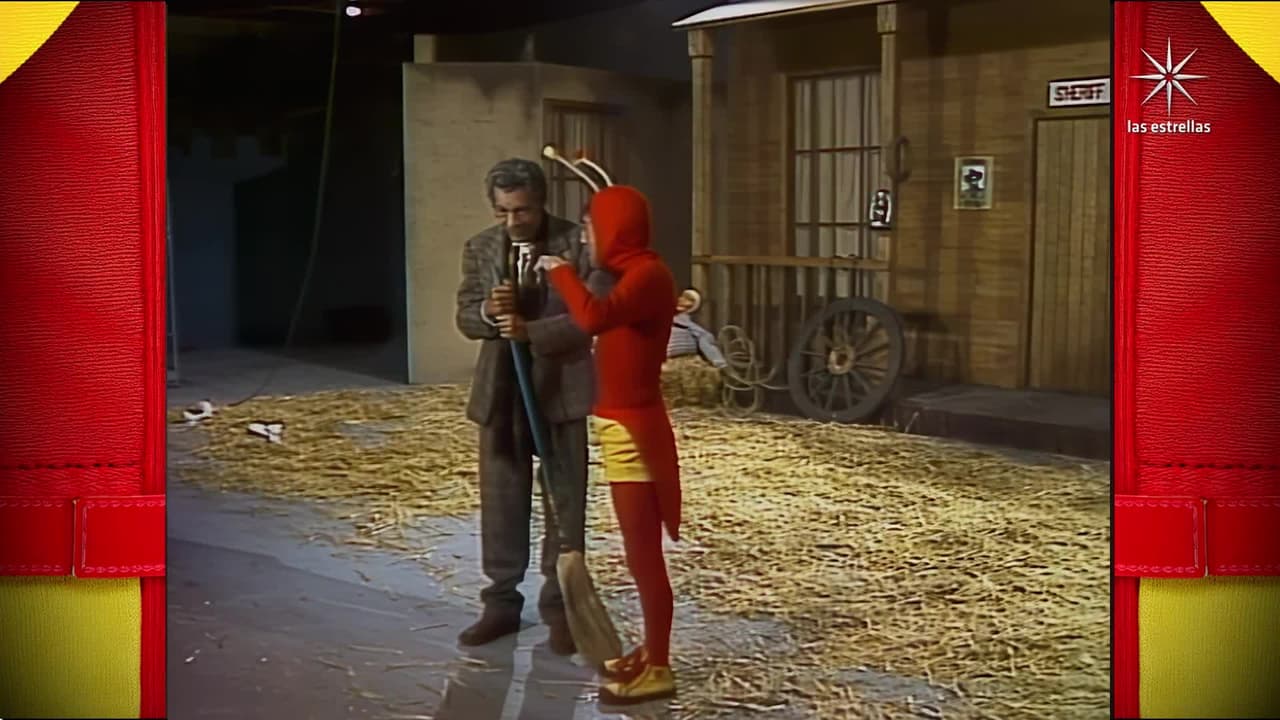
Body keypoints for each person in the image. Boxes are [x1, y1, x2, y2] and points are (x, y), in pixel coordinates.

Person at [453, 158, 609, 655]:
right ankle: (500, 604)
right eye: (502, 212)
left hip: (561, 388)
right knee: (502, 501)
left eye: (522, 210)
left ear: (541, 203)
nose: (513, 221)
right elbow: (465, 315)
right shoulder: (481, 247)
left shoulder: (578, 243)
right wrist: (488, 312)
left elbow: (591, 317)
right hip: (503, 390)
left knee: (565, 500)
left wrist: (531, 331)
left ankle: (560, 609)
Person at [538, 185, 681, 705]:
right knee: (636, 553)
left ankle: (659, 667)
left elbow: (594, 318)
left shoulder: (648, 276)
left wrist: (562, 273)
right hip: (620, 425)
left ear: (615, 229)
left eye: (591, 228)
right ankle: (652, 650)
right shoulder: (635, 274)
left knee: (644, 557)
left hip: (634, 433)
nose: (586, 239)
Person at [667, 287, 727, 368]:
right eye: (683, 297)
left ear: (693, 306)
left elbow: (705, 338)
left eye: (689, 299)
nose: (682, 300)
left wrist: (720, 363)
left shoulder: (688, 325)